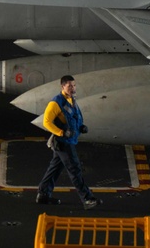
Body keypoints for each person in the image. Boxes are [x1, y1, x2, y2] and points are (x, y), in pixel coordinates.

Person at [35, 75, 101, 209]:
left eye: (74, 85)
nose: (73, 88)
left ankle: (43, 195)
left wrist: (81, 127)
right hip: (63, 142)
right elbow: (46, 122)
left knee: (55, 169)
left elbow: (74, 118)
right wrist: (61, 132)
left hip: (68, 140)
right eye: (69, 86)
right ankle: (87, 199)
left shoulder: (71, 100)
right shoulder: (56, 102)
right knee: (75, 169)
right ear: (62, 87)